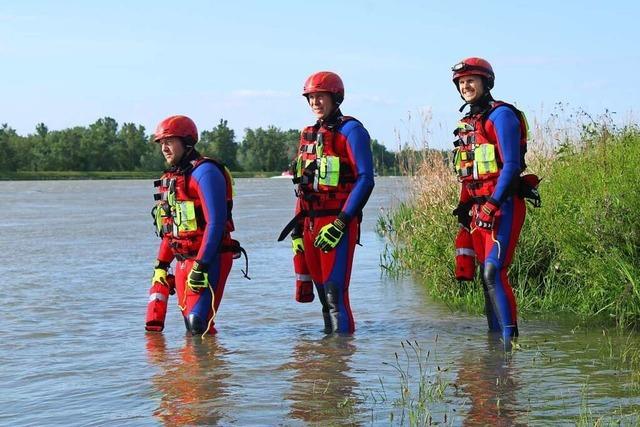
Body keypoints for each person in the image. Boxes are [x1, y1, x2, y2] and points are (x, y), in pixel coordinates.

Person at [450, 58, 538, 349]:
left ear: (486, 82)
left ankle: (509, 346)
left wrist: (490, 206)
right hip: (478, 209)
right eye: (461, 82)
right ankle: (494, 357)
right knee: (484, 281)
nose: (466, 85)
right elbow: (468, 175)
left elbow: (511, 166)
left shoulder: (501, 116)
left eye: (471, 79)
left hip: (504, 206)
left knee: (493, 272)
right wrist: (465, 209)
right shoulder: (468, 123)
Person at [280, 71, 375, 334]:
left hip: (336, 222)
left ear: (335, 97)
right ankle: (330, 364)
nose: (315, 102)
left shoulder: (352, 130)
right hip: (310, 223)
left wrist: (341, 223)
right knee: (323, 298)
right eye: (311, 97)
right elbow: (302, 187)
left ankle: (341, 366)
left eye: (320, 97)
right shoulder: (309, 134)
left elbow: (365, 179)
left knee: (335, 296)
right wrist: (298, 230)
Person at [146, 115, 240, 336]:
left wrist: (201, 265)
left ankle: (209, 369)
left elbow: (216, 223)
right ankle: (192, 370)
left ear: (186, 141)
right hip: (181, 260)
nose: (164, 148)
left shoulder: (206, 172)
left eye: (169, 141)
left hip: (209, 258)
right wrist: (161, 266)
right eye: (161, 143)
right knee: (192, 328)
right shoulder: (172, 178)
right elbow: (172, 228)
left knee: (199, 324)